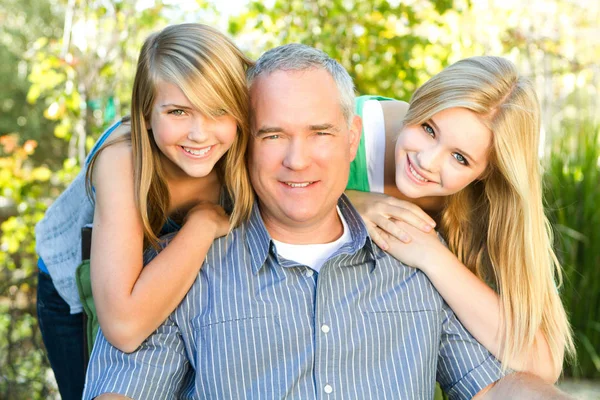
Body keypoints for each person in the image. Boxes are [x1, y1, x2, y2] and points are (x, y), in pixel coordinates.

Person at [83, 44, 573, 400]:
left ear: (351, 137)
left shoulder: (420, 256)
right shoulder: (184, 231)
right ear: (243, 138)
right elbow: (126, 362)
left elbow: (513, 378)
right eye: (273, 134)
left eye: (321, 133)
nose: (428, 161)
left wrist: (430, 256)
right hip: (83, 274)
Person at [34, 23, 254, 399]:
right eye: (178, 111)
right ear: (146, 112)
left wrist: (352, 201)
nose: (199, 134)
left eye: (218, 109)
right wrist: (202, 223)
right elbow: (124, 325)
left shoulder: (242, 146)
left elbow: (342, 113)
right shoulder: (122, 160)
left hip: (166, 273)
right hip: (77, 287)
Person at [345, 56, 574, 383]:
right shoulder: (348, 130)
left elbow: (542, 361)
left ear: (487, 172)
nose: (426, 161)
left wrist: (432, 255)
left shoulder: (492, 204)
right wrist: (343, 203)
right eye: (428, 128)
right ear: (420, 99)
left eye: (460, 158)